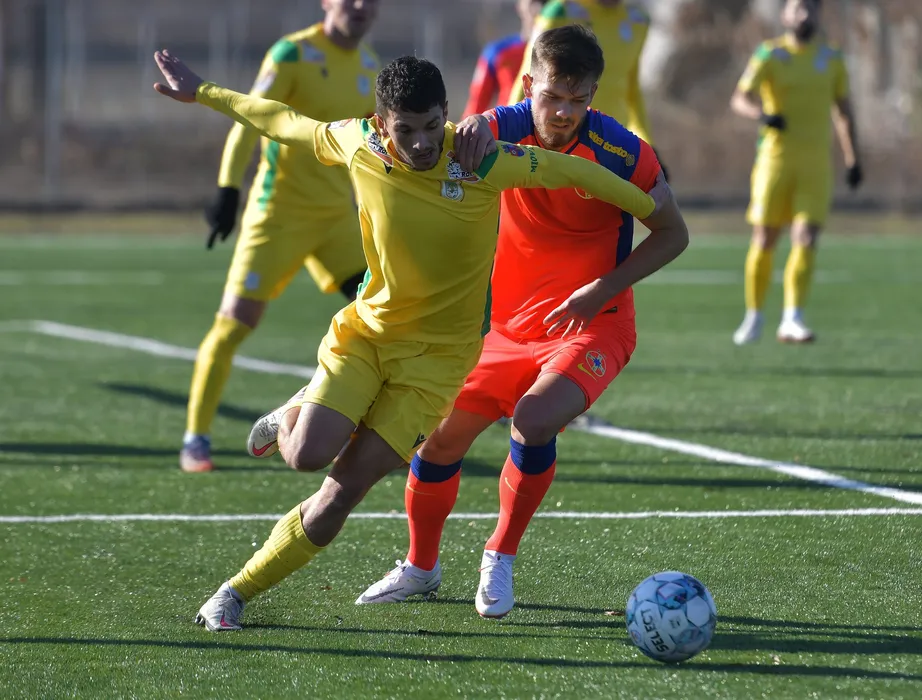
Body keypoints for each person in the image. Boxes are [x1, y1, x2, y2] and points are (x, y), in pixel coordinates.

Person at [152, 46, 667, 631]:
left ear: (445, 113)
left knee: (340, 494)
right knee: (306, 457)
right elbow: (282, 121)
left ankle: (234, 593)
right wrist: (204, 92)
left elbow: (572, 171)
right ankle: (296, 410)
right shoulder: (357, 143)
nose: (422, 143)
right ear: (381, 124)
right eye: (406, 131)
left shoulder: (481, 161)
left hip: (438, 367)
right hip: (367, 337)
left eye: (431, 126)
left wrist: (649, 204)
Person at [356, 25, 689, 619]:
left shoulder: (623, 152)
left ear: (593, 95)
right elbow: (446, 145)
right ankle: (421, 567)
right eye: (552, 96)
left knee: (534, 419)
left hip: (595, 326)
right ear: (530, 84)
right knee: (438, 439)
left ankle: (499, 555)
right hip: (507, 331)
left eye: (577, 99)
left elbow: (674, 234)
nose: (563, 112)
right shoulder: (494, 130)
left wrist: (601, 290)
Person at [180, 0, 381, 473]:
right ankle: (196, 439)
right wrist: (229, 188)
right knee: (235, 323)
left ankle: (366, 430)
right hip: (277, 217)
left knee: (379, 319)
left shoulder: (371, 66)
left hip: (336, 219)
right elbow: (251, 118)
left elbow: (372, 148)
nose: (360, 6)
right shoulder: (292, 53)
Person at [730, 0, 861, 345]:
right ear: (785, 15)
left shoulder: (832, 58)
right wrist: (762, 115)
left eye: (811, 8)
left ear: (819, 14)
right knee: (765, 238)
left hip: (815, 164)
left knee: (806, 237)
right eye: (798, 8)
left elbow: (844, 111)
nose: (805, 15)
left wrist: (853, 158)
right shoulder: (770, 54)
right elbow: (740, 98)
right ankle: (754, 316)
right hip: (775, 161)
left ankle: (792, 317)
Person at [510, 0, 654, 146]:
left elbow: (631, 87)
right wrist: (509, 130)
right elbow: (528, 75)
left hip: (610, 141)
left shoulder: (638, 20)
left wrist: (646, 141)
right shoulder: (561, 11)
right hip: (561, 133)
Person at [461, 0, 545, 119]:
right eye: (533, 2)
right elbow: (475, 107)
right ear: (520, 6)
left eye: (544, 2)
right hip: (508, 127)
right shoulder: (498, 52)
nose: (538, 8)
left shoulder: (561, 51)